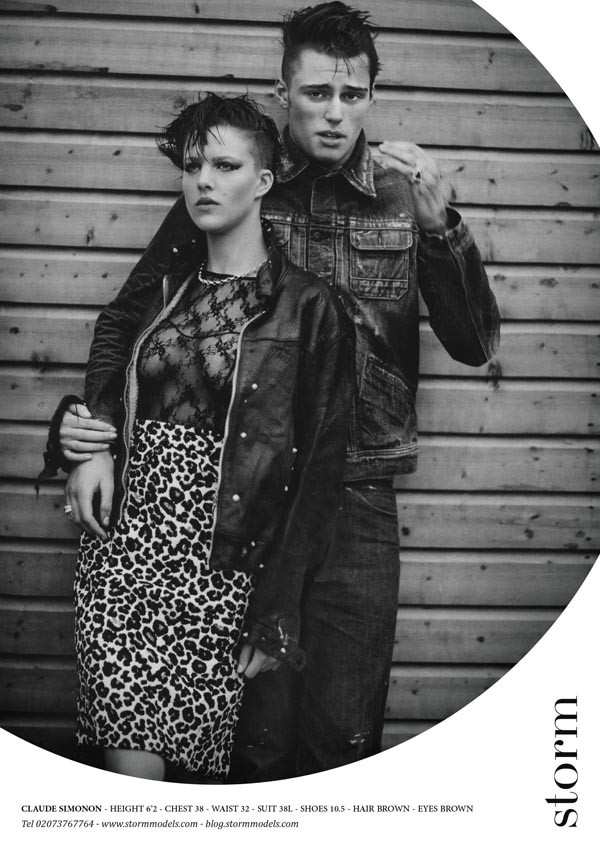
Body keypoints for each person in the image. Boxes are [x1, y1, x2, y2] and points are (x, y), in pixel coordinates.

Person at [50, 2, 500, 780]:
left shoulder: (401, 196)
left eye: (353, 95)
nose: (335, 113)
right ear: (284, 90)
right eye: (317, 92)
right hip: (252, 490)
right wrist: (96, 430)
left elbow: (476, 344)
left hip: (358, 491)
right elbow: (136, 317)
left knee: (343, 734)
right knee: (253, 740)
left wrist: (442, 229)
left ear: (372, 96)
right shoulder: (242, 182)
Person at [40, 92, 353, 782]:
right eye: (191, 166)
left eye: (224, 165)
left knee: (197, 778)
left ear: (264, 181)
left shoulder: (309, 306)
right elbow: (117, 375)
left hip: (220, 565)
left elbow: (319, 472)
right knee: (130, 761)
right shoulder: (162, 291)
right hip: (124, 554)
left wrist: (278, 609)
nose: (203, 181)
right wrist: (92, 445)